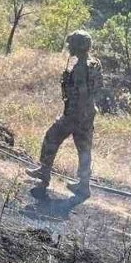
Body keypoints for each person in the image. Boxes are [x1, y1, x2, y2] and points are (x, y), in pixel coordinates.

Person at [27, 30, 103, 198]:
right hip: (88, 113)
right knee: (84, 150)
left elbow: (82, 94)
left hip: (76, 114)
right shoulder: (94, 64)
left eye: (72, 44)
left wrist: (73, 117)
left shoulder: (81, 68)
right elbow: (96, 90)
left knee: (51, 138)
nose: (69, 47)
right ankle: (83, 186)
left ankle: (44, 174)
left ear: (78, 46)